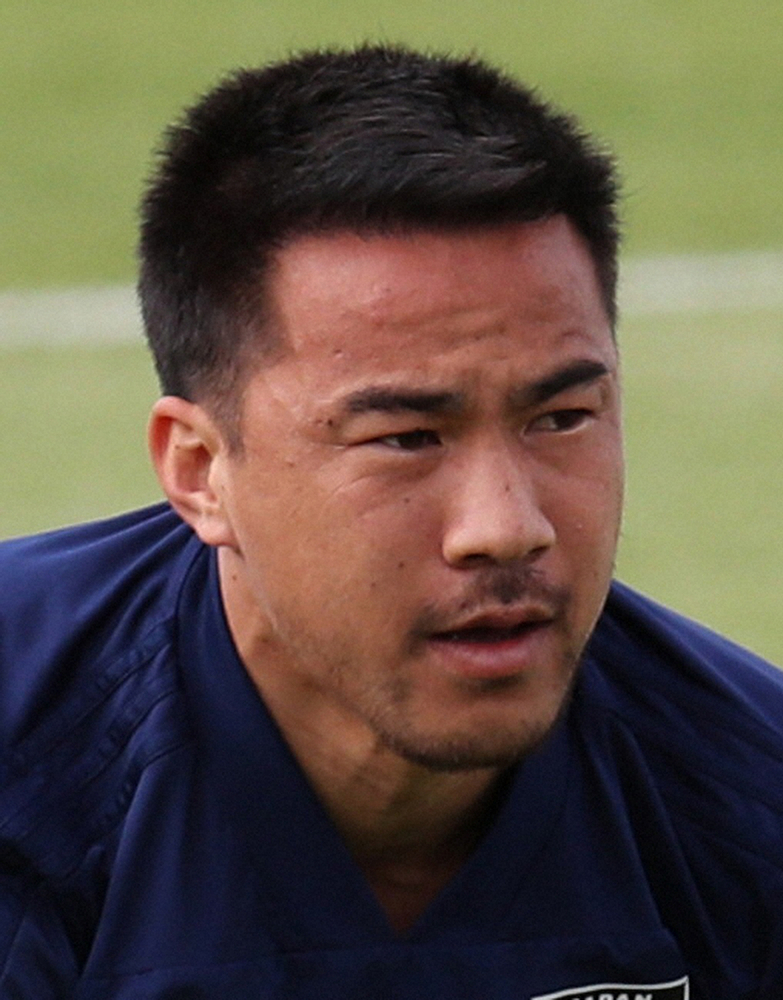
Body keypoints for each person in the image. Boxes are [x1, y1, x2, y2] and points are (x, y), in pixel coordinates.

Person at [0, 44, 781, 1000]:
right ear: (200, 471)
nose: (505, 527)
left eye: (560, 419)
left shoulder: (748, 809)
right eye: (406, 438)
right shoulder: (29, 770)